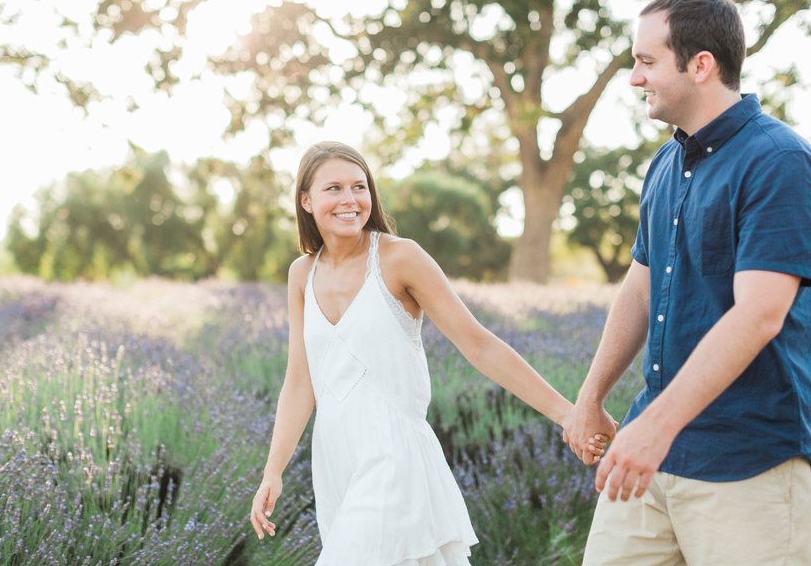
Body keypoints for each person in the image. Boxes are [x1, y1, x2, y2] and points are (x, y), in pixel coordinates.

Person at [561, 0, 811, 565]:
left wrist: (656, 426)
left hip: (750, 463)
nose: (635, 79)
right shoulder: (664, 163)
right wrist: (592, 395)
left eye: (646, 61)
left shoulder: (781, 161)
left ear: (701, 64)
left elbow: (758, 314)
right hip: (650, 458)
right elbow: (639, 285)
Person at [249, 141, 611, 565]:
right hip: (334, 462)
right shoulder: (301, 274)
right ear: (306, 200)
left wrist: (569, 414)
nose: (350, 200)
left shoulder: (400, 258)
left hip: (394, 455)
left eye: (359, 187)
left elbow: (479, 344)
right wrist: (272, 470)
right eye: (334, 189)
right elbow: (299, 380)